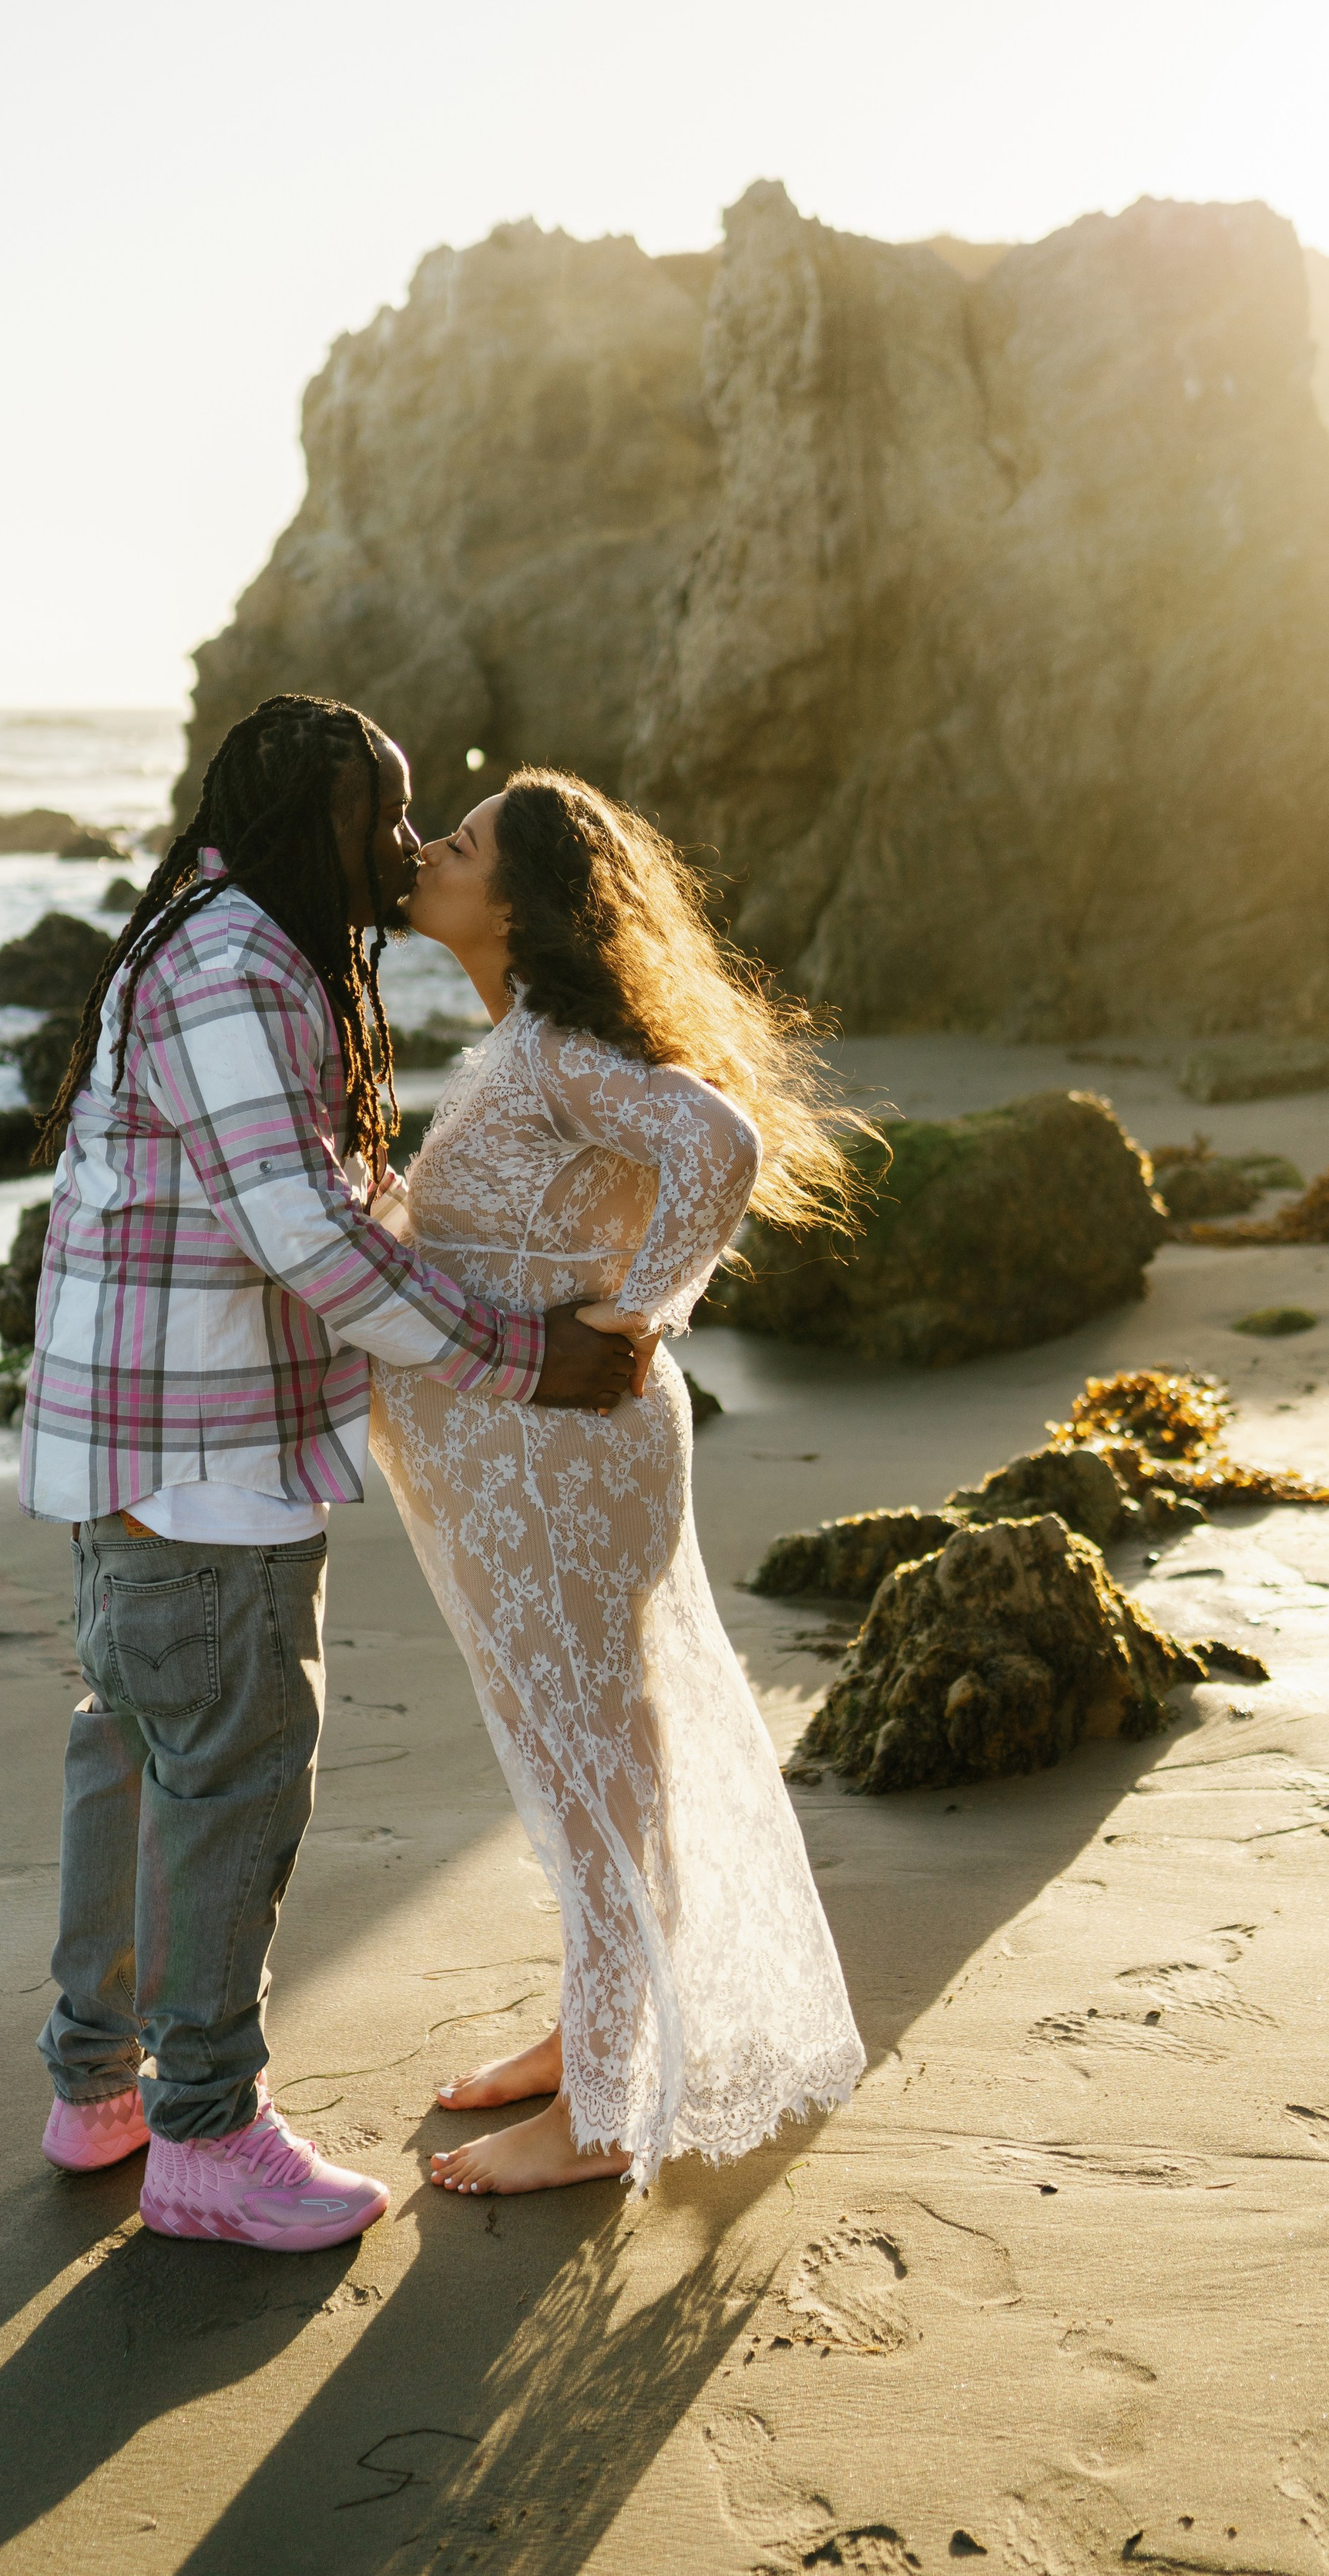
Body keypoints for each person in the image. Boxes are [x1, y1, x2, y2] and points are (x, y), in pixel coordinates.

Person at [18, 695, 636, 2253]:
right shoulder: (238, 963)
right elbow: (304, 1232)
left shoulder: (241, 944)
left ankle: (98, 2089)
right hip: (200, 1457)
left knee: (140, 1759)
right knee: (229, 1780)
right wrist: (525, 1355)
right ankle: (206, 2139)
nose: (406, 846)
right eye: (385, 814)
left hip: (151, 1448)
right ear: (313, 821)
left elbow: (326, 1205)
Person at [369, 768, 872, 2195]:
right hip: (534, 1469)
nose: (428, 850)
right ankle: (600, 2035)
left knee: (590, 1762)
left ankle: (601, 2107)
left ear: (520, 901)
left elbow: (719, 1140)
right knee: (590, 1755)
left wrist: (643, 1308)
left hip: (560, 1468)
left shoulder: (553, 1051)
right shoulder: (521, 1045)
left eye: (461, 842)